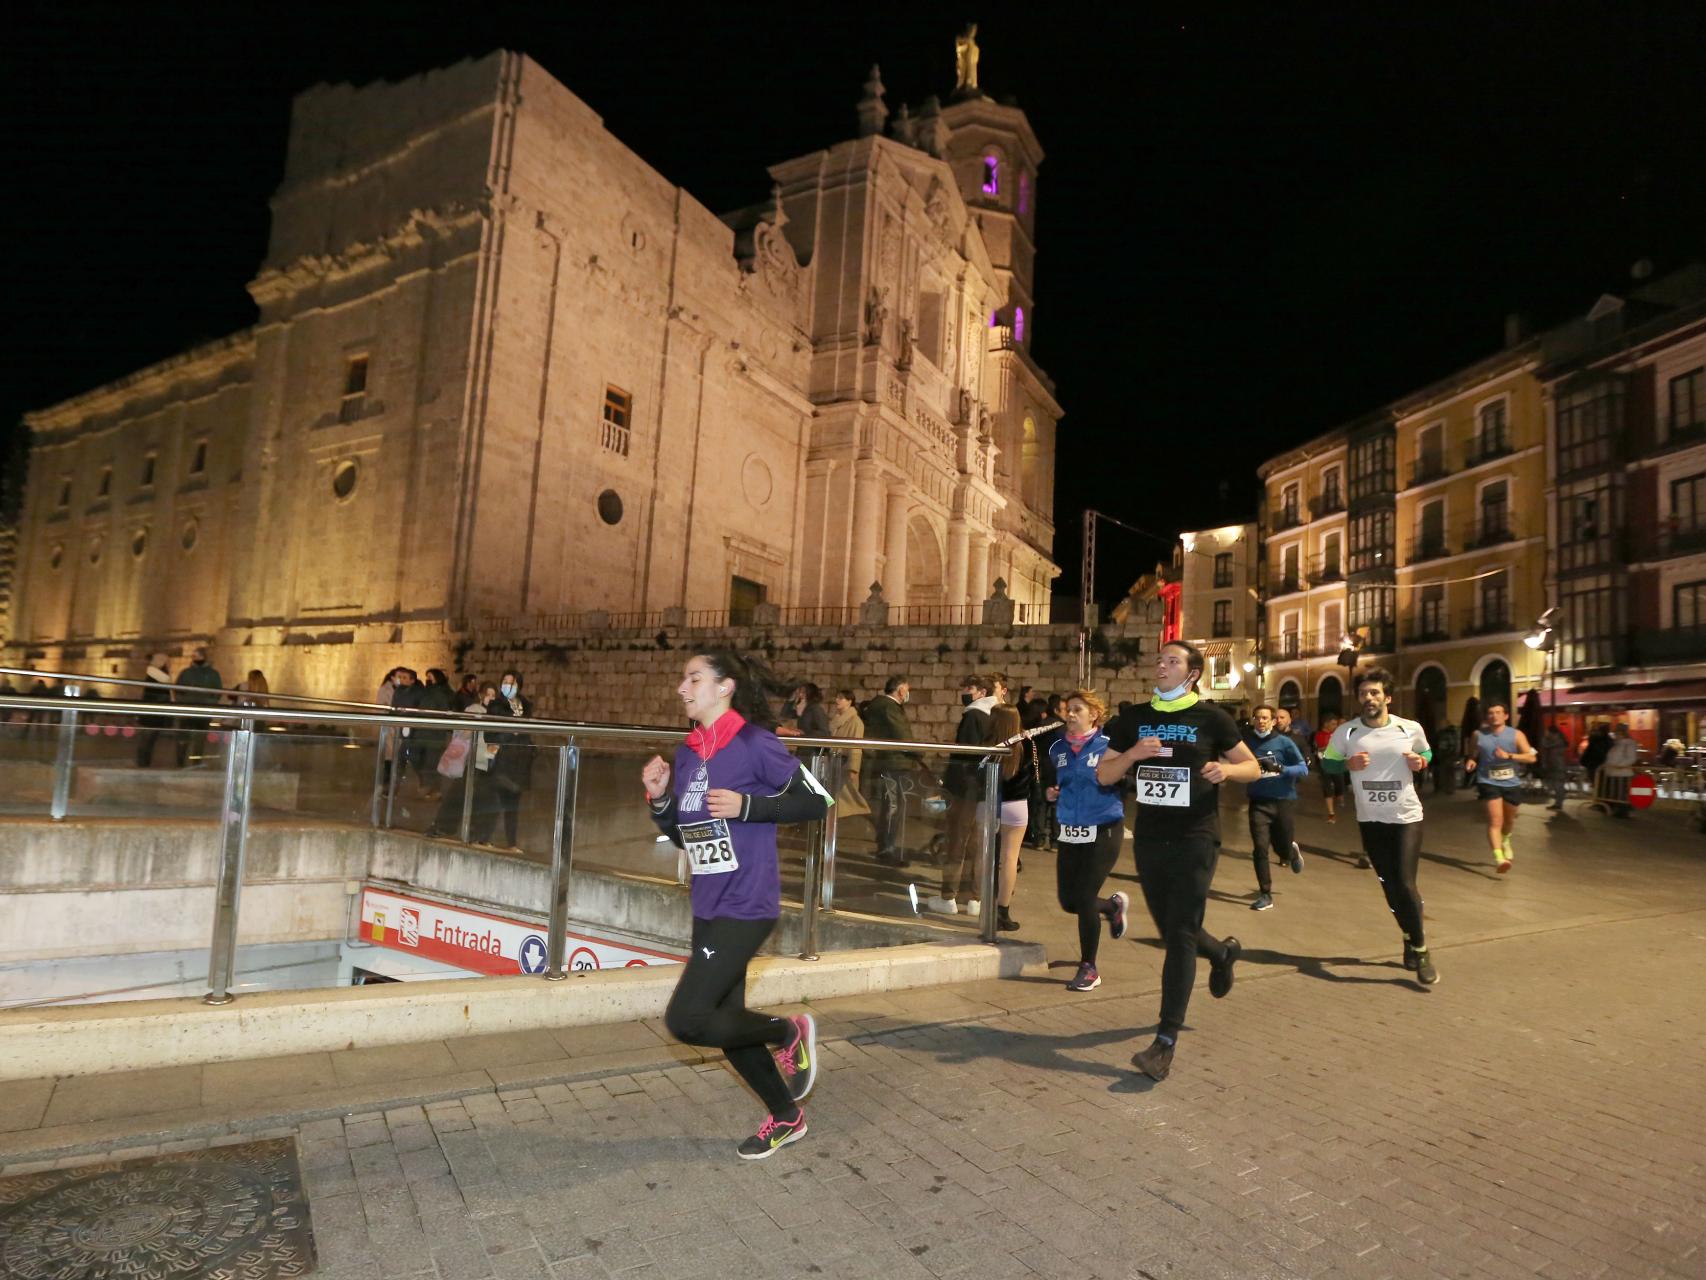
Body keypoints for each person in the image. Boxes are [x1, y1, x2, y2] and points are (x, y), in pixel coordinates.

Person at [641, 651, 830, 1159]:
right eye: (683, 678)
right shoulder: (688, 754)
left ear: (724, 688)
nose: (683, 687)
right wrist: (661, 801)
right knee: (724, 1021)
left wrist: (752, 806)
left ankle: (787, 1030)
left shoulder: (754, 743)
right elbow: (688, 837)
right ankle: (787, 1117)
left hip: (748, 902)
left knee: (687, 1019)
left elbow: (818, 802)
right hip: (707, 902)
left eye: (694, 678)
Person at [1097, 640, 1261, 1083]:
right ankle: (1224, 952)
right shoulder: (1132, 718)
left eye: (1172, 661)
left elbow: (1252, 767)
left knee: (1180, 935)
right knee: (1175, 929)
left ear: (1191, 673)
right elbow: (1104, 774)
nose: (1161, 665)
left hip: (1196, 837)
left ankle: (1164, 1042)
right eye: (1159, 659)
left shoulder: (1212, 718)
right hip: (1151, 839)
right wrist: (1132, 755)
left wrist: (1226, 771)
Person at [1320, 667, 1438, 987]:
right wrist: (1347, 764)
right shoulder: (1346, 732)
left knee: (1404, 882)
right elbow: (1326, 762)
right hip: (1370, 819)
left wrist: (1421, 761)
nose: (1368, 698)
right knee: (1388, 884)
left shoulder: (1408, 727)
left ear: (1387, 697)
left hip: (1406, 816)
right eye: (1363, 693)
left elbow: (1425, 751)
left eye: (1374, 693)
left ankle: (1422, 949)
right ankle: (1408, 934)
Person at [1046, 689, 1128, 990]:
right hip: (1070, 830)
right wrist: (1050, 793)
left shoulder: (1109, 746)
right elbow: (1052, 783)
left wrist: (1115, 778)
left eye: (1077, 709)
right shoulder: (1057, 749)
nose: (1070, 714)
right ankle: (1111, 907)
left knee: (1083, 898)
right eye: (1068, 709)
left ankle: (1089, 968)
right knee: (1069, 902)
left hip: (1104, 827)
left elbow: (1127, 781)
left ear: (1093, 715)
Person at [932, 673, 1004, 914]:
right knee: (976, 843)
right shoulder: (998, 714)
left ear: (982, 692)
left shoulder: (973, 715)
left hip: (965, 790)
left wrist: (951, 784)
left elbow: (966, 755)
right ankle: (973, 897)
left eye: (970, 688)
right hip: (986, 789)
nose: (966, 693)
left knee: (956, 840)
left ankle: (948, 896)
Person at [1242, 704, 1309, 910]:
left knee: (1282, 848)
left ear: (1273, 721)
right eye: (1258, 717)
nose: (1261, 721)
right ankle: (1265, 894)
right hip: (1258, 802)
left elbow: (1303, 769)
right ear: (1253, 720)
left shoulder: (1284, 742)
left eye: (1265, 718)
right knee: (1260, 848)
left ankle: (1290, 851)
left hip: (1283, 801)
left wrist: (1280, 768)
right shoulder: (1246, 743)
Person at [1465, 701, 1537, 872]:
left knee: (1509, 820)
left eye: (1498, 712)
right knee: (1495, 820)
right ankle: (1499, 858)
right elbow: (1473, 753)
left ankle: (1506, 838)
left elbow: (1531, 758)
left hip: (1511, 783)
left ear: (1505, 716)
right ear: (1487, 717)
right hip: (1487, 781)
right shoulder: (1478, 735)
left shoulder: (1516, 735)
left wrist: (1509, 756)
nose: (1494, 716)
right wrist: (1472, 760)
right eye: (1491, 713)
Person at [984, 704, 1037, 931]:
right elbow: (1035, 775)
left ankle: (982, 905)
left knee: (984, 857)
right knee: (1010, 858)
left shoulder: (987, 742)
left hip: (987, 802)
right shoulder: (1026, 743)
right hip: (1016, 805)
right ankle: (1002, 911)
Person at [474, 671, 533, 850]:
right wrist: (510, 733)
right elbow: (490, 732)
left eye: (511, 683)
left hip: (519, 761)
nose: (507, 685)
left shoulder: (526, 705)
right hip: (501, 758)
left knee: (513, 805)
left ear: (519, 685)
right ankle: (482, 838)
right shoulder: (496, 705)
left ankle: (511, 843)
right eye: (504, 682)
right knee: (494, 801)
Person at [860, 674, 914, 866]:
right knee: (894, 806)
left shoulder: (876, 706)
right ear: (900, 690)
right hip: (894, 763)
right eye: (907, 689)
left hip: (884, 763)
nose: (907, 693)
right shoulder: (890, 707)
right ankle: (887, 848)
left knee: (888, 805)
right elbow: (902, 735)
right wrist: (917, 753)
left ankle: (884, 845)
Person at [173, 646, 224, 766]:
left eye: (197, 656)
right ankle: (180, 763)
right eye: (194, 656)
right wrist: (182, 701)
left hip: (203, 711)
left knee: (199, 740)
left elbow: (217, 691)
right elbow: (178, 689)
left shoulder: (213, 674)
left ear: (204, 657)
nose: (195, 658)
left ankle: (196, 763)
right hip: (187, 711)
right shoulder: (186, 673)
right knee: (183, 738)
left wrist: (210, 702)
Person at [827, 690, 869, 819]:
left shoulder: (855, 722)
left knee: (846, 799)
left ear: (849, 701)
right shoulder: (837, 720)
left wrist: (853, 768)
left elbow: (856, 746)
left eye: (841, 698)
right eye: (837, 697)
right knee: (836, 800)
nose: (837, 701)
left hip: (844, 765)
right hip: (834, 764)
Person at [135, 652, 173, 767]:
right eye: (165, 661)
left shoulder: (155, 673)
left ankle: (144, 762)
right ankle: (143, 763)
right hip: (153, 712)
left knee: (148, 740)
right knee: (147, 740)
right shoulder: (156, 673)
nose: (167, 663)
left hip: (153, 712)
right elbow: (165, 688)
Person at [1601, 725, 1640, 819]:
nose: (1615, 734)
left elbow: (1631, 758)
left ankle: (1623, 811)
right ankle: (1617, 809)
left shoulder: (1628, 744)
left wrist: (1619, 765)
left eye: (1617, 733)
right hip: (1613, 772)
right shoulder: (1617, 745)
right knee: (1615, 792)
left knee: (1621, 793)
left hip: (1622, 772)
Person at [1314, 714, 1345, 824]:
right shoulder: (1320, 735)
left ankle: (1340, 796)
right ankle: (1331, 813)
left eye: (1336, 724)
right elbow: (1320, 747)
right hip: (1325, 764)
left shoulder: (1338, 734)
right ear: (1326, 724)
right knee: (1327, 788)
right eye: (1333, 724)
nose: (1335, 726)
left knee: (1340, 785)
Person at [1580, 723, 1613, 808]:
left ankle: (1599, 803)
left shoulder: (1595, 741)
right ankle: (1600, 802)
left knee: (1597, 784)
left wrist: (1584, 761)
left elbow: (1589, 752)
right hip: (1602, 765)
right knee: (1601, 784)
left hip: (1594, 764)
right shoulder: (1609, 741)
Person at [1540, 724, 1571, 811]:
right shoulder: (1557, 740)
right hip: (1556, 765)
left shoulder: (1556, 741)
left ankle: (1559, 803)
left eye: (1547, 731)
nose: (1546, 733)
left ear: (1552, 732)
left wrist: (1544, 739)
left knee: (1557, 785)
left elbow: (1545, 745)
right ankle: (1558, 802)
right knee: (1556, 785)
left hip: (1557, 766)